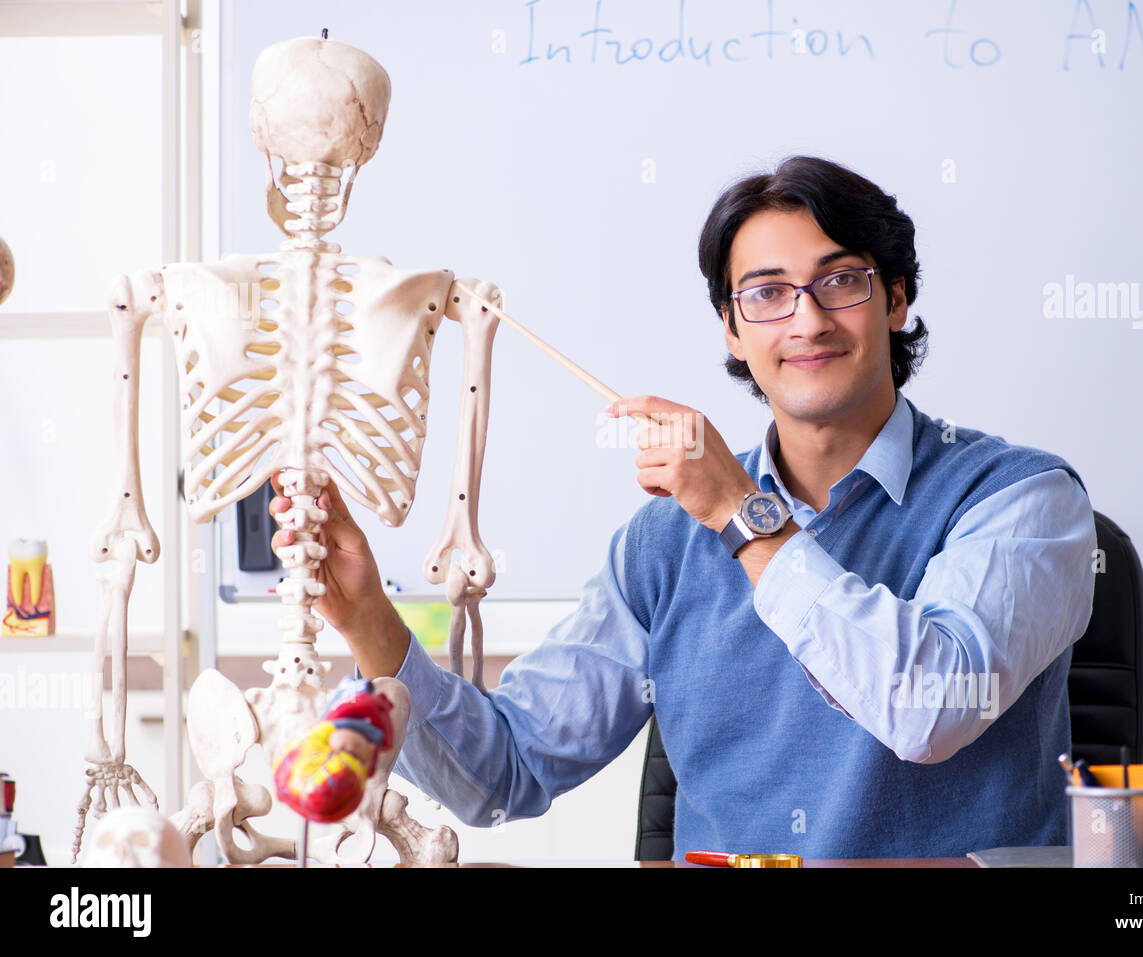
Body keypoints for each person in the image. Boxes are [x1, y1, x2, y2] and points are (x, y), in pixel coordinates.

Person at [269, 156, 1097, 858]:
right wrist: (371, 620)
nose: (806, 319)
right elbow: (508, 769)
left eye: (841, 280)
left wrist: (745, 516)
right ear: (733, 331)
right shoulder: (665, 540)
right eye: (766, 294)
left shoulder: (1023, 500)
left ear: (896, 300)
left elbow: (929, 708)